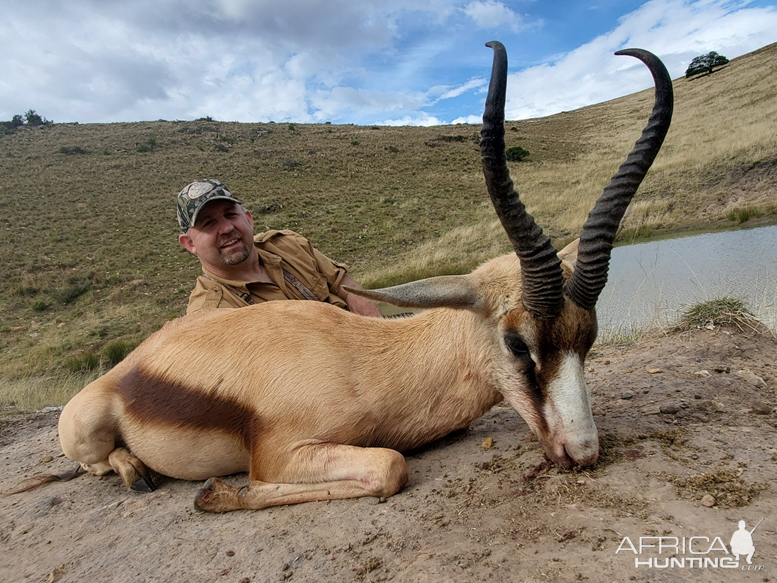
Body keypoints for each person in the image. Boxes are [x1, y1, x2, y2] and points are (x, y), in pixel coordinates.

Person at [176, 179, 382, 317]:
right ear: (190, 244)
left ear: (248, 219)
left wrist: (379, 341)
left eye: (230, 215)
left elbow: (347, 288)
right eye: (208, 223)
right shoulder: (211, 315)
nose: (227, 228)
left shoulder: (287, 244)